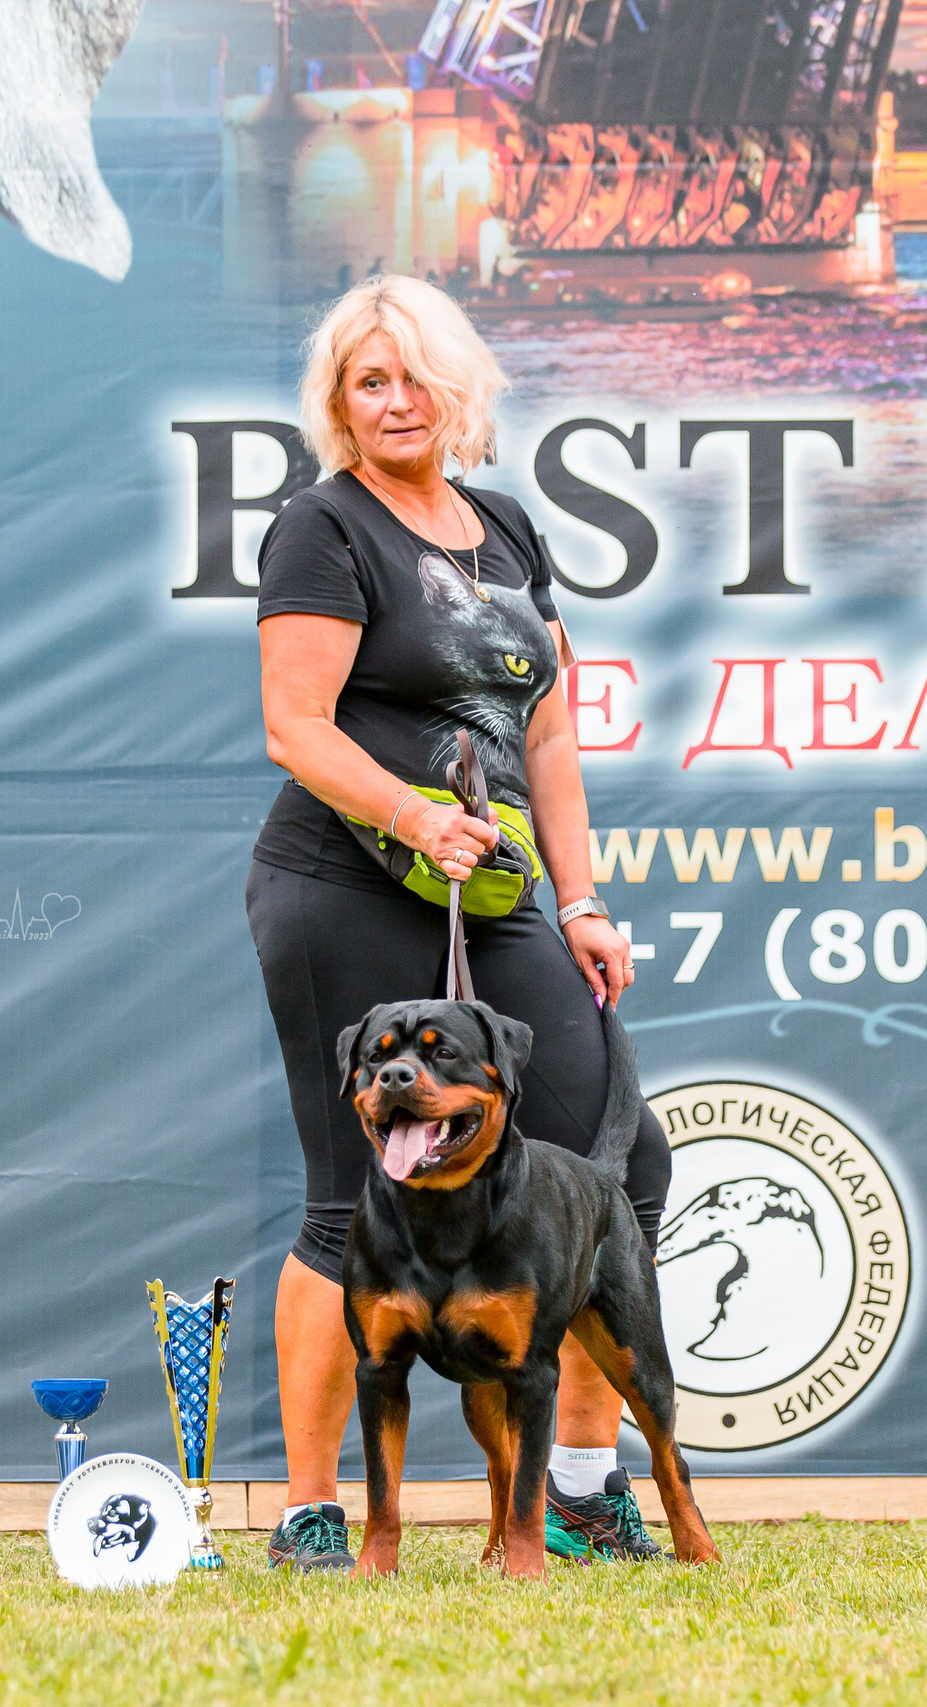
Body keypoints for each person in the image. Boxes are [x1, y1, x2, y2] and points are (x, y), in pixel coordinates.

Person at [247, 276, 672, 1572]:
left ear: (459, 392)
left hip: (493, 897)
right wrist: (415, 816)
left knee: (620, 1168)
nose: (395, 400)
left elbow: (546, 731)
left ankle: (582, 1492)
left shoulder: (504, 529)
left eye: (415, 377)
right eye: (369, 381)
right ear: (340, 402)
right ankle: (313, 1512)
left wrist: (580, 898)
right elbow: (295, 726)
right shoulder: (323, 530)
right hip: (343, 885)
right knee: (352, 1197)